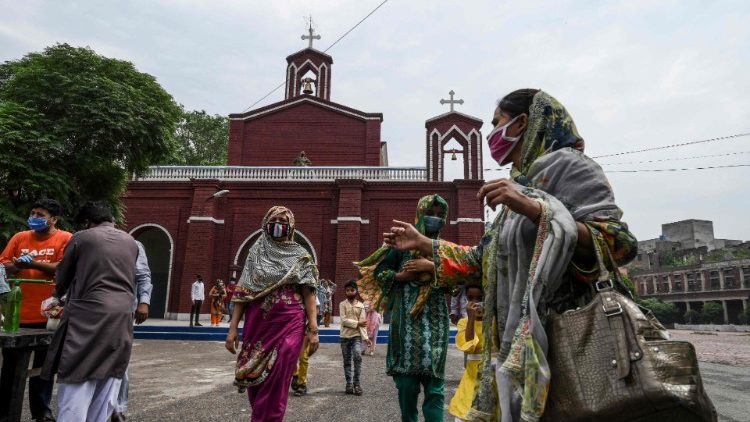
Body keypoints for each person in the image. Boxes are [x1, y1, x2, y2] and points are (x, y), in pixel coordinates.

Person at [383, 89, 637, 421]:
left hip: (567, 340)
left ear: (521, 124)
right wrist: (423, 243)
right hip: (515, 345)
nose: (492, 134)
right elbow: (481, 263)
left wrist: (535, 211)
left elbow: (620, 243)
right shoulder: (519, 186)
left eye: (497, 122)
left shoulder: (569, 168)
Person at [42, 201, 139, 422]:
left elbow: (63, 275)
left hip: (88, 316)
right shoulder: (131, 241)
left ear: (87, 222)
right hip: (122, 316)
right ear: (111, 220)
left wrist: (56, 297)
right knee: (107, 380)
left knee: (77, 381)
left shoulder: (82, 238)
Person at [358, 194, 451, 422]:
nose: (435, 219)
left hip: (436, 325)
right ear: (419, 214)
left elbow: (459, 282)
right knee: (407, 387)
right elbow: (379, 273)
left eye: (440, 215)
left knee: (435, 389)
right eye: (430, 213)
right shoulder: (401, 245)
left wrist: (432, 266)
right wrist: (402, 276)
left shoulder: (446, 250)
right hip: (406, 326)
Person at [225, 206, 320, 422]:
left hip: (291, 322)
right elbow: (243, 293)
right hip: (258, 325)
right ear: (266, 223)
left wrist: (313, 329)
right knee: (256, 379)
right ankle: (260, 415)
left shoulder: (300, 255)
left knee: (279, 373)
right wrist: (232, 330)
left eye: (283, 220)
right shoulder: (256, 254)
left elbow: (309, 293)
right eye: (274, 219)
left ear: (291, 226)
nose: (278, 224)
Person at [0, 198, 72, 422]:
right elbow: (4, 266)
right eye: (33, 213)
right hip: (18, 313)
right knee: (10, 366)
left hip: (49, 314)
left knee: (44, 367)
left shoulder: (66, 238)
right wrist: (18, 265)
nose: (35, 217)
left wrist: (31, 264)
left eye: (40, 214)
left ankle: (41, 410)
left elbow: (62, 268)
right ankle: (4, 411)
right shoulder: (20, 238)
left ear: (54, 219)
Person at [111, 240, 153, 422]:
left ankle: (117, 408)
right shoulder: (83, 239)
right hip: (90, 309)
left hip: (122, 310)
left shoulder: (132, 244)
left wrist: (144, 302)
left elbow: (142, 275)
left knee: (120, 360)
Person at [448, 285, 486, 422]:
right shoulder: (464, 323)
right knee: (464, 415)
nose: (475, 302)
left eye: (479, 298)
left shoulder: (495, 322)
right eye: (470, 298)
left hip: (491, 374)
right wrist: (471, 319)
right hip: (471, 376)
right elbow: (469, 345)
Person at [338, 280, 369, 395]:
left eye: (352, 290)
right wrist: (358, 323)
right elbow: (344, 320)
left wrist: (365, 338)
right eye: (347, 290)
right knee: (347, 361)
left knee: (357, 356)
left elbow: (363, 323)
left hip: (356, 336)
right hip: (345, 336)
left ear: (356, 291)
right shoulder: (342, 304)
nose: (350, 292)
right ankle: (349, 384)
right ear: (345, 292)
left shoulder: (361, 306)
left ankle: (357, 383)